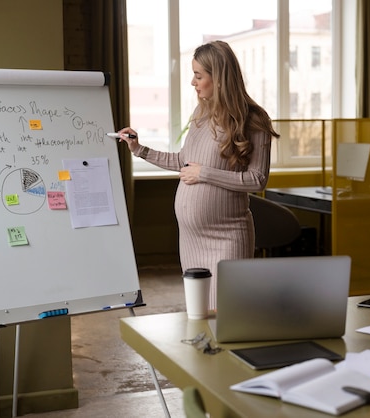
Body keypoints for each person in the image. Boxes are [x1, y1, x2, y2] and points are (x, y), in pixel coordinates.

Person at [116, 40, 280, 309]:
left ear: (219, 78)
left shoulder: (254, 120)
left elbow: (257, 179)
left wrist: (205, 174)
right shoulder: (201, 114)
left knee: (226, 314)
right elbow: (183, 162)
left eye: (198, 75)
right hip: (191, 238)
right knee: (199, 314)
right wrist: (139, 149)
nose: (193, 82)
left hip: (228, 236)